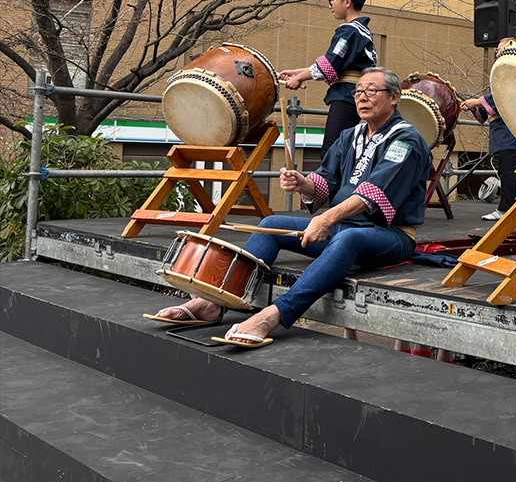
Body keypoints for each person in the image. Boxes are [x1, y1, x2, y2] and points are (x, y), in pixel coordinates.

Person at [147, 67, 431, 347]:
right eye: (357, 92)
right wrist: (304, 183)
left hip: (390, 235)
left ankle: (274, 314)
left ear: (394, 97)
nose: (362, 98)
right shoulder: (351, 136)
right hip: (343, 228)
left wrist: (326, 219)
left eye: (371, 91)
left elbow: (374, 193)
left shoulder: (406, 140)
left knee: (348, 237)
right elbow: (328, 179)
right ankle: (215, 302)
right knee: (271, 224)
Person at [279, 0, 377, 158]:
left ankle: (331, 186)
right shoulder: (362, 31)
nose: (330, 5)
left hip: (346, 96)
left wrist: (299, 78)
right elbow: (335, 65)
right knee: (345, 149)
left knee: (333, 151)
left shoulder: (349, 30)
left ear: (347, 1)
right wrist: (298, 73)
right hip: (354, 94)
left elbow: (330, 65)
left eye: (332, 0)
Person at [460, 38, 516, 221]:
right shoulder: (503, 69)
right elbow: (492, 101)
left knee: (508, 169)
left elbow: (503, 94)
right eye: (497, 50)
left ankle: (505, 209)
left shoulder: (513, 69)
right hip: (502, 127)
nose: (497, 52)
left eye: (500, 49)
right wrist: (475, 107)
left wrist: (478, 101)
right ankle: (514, 207)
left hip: (509, 127)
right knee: (508, 169)